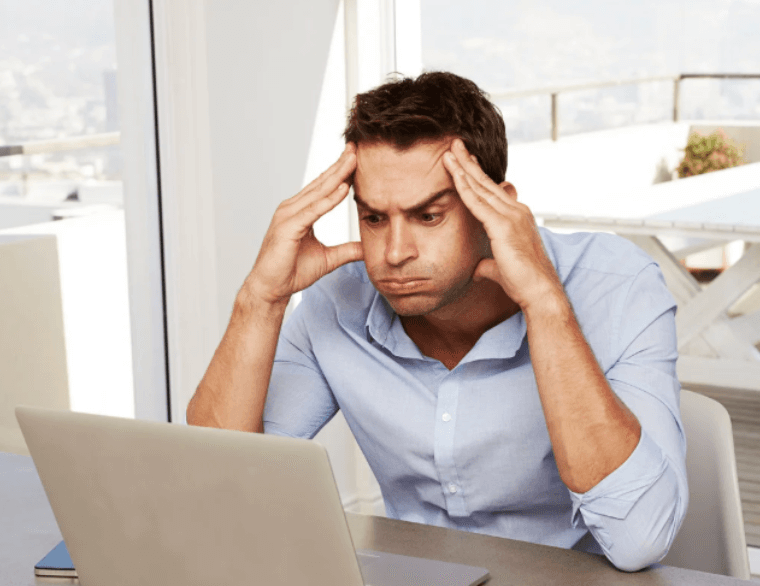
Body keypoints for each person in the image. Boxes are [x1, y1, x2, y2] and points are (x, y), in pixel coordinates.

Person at [185, 71, 687, 572]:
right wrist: (260, 299)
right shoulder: (338, 301)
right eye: (375, 218)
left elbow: (638, 540)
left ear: (498, 207)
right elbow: (218, 490)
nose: (395, 253)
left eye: (428, 216)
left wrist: (544, 305)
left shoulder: (616, 288)